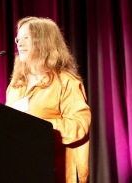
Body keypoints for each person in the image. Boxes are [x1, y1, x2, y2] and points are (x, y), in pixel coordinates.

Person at [6, 16, 91, 183]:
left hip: (56, 174)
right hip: (21, 171)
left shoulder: (66, 82)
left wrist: (39, 127)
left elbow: (79, 126)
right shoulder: (15, 87)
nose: (19, 44)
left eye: (26, 38)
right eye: (18, 39)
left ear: (44, 42)